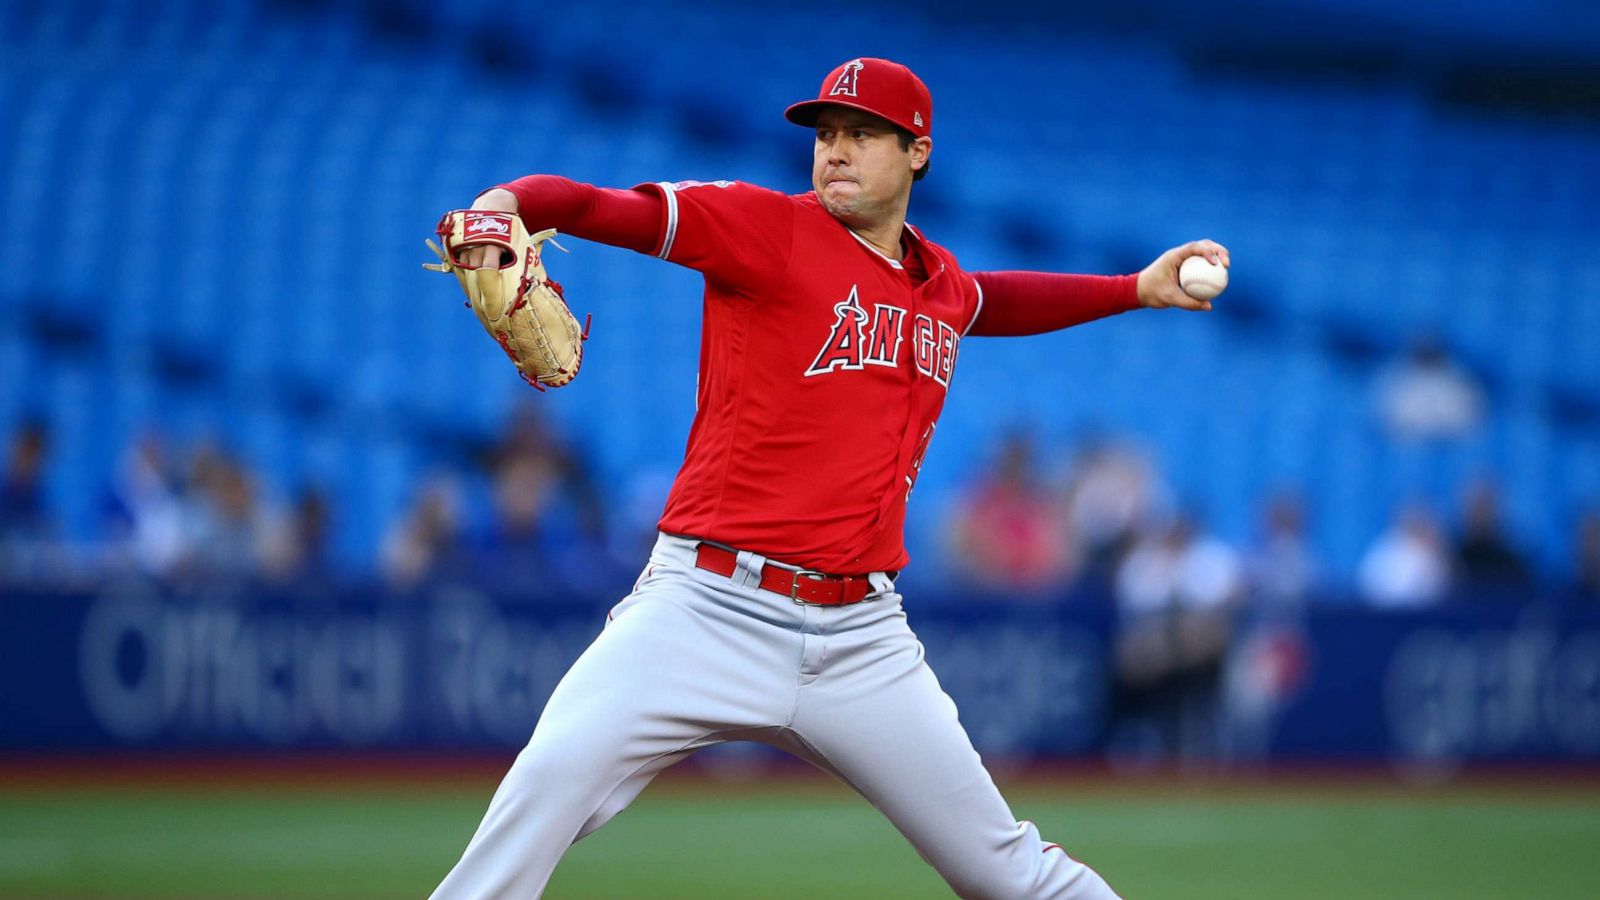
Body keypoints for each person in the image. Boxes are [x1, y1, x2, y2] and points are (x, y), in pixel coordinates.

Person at [430, 58, 1227, 899]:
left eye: (861, 134)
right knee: (543, 791)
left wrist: (1134, 288)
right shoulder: (760, 226)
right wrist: (503, 206)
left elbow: (994, 300)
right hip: (706, 607)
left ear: (917, 151)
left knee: (1009, 870)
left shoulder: (939, 285)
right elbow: (602, 207)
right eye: (825, 135)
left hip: (861, 641)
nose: (835, 151)